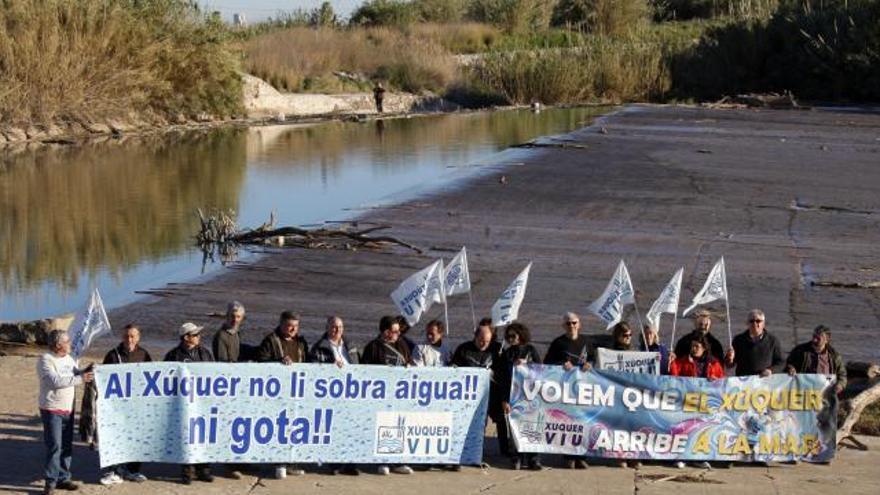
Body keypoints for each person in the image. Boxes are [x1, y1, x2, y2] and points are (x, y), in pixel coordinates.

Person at [38, 330, 94, 495]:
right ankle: (50, 482)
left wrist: (87, 371)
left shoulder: (69, 358)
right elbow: (54, 381)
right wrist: (80, 379)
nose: (70, 343)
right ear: (58, 345)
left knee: (66, 446)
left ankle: (63, 478)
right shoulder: (45, 360)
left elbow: (76, 373)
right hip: (51, 409)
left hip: (68, 409)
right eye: (67, 341)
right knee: (55, 446)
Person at [97, 325, 153, 485]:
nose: (129, 339)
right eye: (127, 336)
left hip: (137, 406)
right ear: (122, 337)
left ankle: (133, 471)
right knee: (115, 438)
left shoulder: (144, 354)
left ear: (138, 337)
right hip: (117, 407)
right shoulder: (113, 355)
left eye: (133, 336)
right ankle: (114, 471)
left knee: (137, 438)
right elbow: (103, 380)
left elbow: (152, 379)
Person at [258, 311, 309, 478]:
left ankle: (292, 463)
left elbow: (308, 364)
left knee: (295, 428)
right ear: (281, 324)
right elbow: (260, 361)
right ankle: (278, 462)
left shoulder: (301, 342)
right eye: (289, 325)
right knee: (279, 428)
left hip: (297, 393)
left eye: (295, 326)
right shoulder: (270, 340)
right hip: (276, 393)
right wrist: (278, 361)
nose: (292, 329)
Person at [361, 316, 413, 475]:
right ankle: (382, 461)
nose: (398, 334)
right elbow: (365, 371)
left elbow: (408, 362)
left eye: (399, 331)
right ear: (385, 332)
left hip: (400, 394)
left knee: (399, 426)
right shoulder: (373, 347)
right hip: (381, 395)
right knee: (382, 427)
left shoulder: (402, 344)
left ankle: (398, 461)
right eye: (395, 331)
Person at [310, 316, 361, 476]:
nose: (337, 330)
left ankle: (349, 463)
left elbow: (359, 365)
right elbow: (314, 370)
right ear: (327, 328)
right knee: (332, 429)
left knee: (350, 429)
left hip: (350, 393)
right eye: (333, 327)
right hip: (330, 395)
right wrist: (331, 368)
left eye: (340, 327)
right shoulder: (319, 347)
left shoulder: (350, 346)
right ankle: (334, 463)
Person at [164, 323, 214, 484]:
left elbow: (214, 374)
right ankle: (187, 471)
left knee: (202, 435)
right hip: (182, 404)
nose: (199, 337)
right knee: (185, 436)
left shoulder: (205, 353)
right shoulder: (173, 355)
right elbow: (165, 379)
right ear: (186, 337)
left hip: (202, 402)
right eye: (195, 334)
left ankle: (203, 468)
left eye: (198, 334)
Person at [543, 312, 592, 470]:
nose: (572, 326)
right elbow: (546, 363)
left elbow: (594, 359)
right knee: (568, 421)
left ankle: (581, 456)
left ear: (579, 324)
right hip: (565, 388)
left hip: (584, 388)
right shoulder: (558, 343)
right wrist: (561, 364)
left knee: (582, 421)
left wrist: (590, 364)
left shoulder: (586, 341)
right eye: (568, 323)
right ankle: (569, 457)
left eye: (574, 322)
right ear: (563, 326)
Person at [497, 323, 542, 471]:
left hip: (530, 396)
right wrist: (504, 399)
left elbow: (542, 370)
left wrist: (528, 364)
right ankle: (516, 458)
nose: (510, 339)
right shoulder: (507, 353)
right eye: (508, 336)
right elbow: (502, 378)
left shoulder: (531, 350)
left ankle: (533, 459)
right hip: (513, 397)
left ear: (521, 335)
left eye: (513, 336)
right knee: (515, 428)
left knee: (532, 427)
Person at [211, 301, 245, 479]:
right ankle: (230, 465)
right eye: (232, 316)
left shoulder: (238, 333)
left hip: (239, 387)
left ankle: (241, 461)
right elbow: (222, 363)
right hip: (225, 388)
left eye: (238, 317)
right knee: (230, 426)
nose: (235, 319)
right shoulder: (221, 336)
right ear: (226, 316)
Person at [786, 325, 847, 394]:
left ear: (826, 339)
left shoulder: (834, 356)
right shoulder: (800, 351)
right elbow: (788, 363)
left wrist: (840, 385)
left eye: (818, 338)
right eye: (814, 337)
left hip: (825, 393)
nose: (814, 340)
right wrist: (790, 368)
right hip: (803, 392)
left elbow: (842, 375)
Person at [725, 309, 784, 377]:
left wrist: (770, 370)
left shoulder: (773, 341)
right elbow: (728, 365)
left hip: (764, 382)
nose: (755, 323)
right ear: (747, 323)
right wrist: (730, 359)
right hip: (744, 383)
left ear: (763, 324)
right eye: (751, 321)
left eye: (758, 321)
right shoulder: (738, 340)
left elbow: (781, 363)